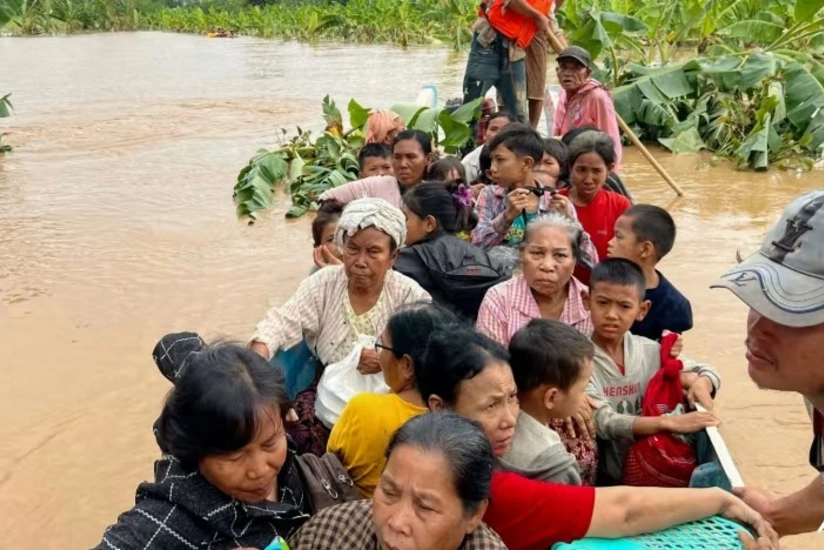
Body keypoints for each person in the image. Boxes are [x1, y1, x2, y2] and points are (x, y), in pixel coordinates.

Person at [416, 325, 778, 550]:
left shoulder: (412, 448)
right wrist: (719, 499)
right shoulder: (495, 490)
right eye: (491, 406)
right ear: (439, 406)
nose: (510, 418)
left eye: (513, 398)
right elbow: (620, 512)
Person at [250, 198, 431, 455]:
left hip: (392, 392)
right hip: (329, 385)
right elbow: (282, 321)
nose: (360, 261)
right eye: (352, 249)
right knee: (297, 437)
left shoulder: (410, 295)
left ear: (393, 256)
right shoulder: (323, 283)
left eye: (373, 252)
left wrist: (385, 360)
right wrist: (256, 360)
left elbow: (429, 350)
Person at [96, 335, 312, 549]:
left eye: (270, 444)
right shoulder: (173, 518)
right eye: (236, 457)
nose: (259, 470)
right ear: (196, 451)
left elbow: (175, 345)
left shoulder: (266, 425)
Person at [711, 190, 824, 538]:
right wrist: (773, 516)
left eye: (791, 312)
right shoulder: (814, 382)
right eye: (759, 297)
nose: (758, 326)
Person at [477, 213, 598, 482]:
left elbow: (597, 362)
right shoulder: (499, 299)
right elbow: (492, 371)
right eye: (537, 253)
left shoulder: (589, 302)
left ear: (575, 261)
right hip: (517, 405)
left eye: (560, 256)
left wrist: (573, 397)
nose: (547, 265)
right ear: (522, 255)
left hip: (572, 402)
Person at [584, 259, 721, 485]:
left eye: (624, 306)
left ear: (642, 310)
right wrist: (668, 423)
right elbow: (603, 421)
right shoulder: (579, 359)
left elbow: (708, 371)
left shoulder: (650, 350)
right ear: (586, 301)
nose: (612, 314)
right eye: (603, 303)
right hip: (607, 476)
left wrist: (702, 383)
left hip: (654, 467)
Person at [290, 412, 507, 549]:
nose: (396, 523)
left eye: (425, 506)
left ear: (474, 515)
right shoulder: (327, 534)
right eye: (389, 492)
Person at [327, 303, 459, 498]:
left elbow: (330, 464)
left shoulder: (363, 409)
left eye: (381, 347)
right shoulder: (459, 419)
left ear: (407, 366)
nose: (379, 356)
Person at [471, 124, 592, 267]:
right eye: (492, 160)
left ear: (527, 163)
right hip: (499, 279)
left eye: (500, 160)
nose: (493, 168)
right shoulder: (490, 195)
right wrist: (506, 217)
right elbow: (475, 247)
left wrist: (570, 225)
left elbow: (589, 260)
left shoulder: (555, 202)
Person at [395, 182, 510, 319]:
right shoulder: (481, 257)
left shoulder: (405, 260)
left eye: (405, 218)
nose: (400, 223)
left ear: (429, 223)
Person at [502, 319, 594, 485]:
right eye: (583, 389)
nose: (584, 397)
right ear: (551, 397)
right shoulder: (555, 466)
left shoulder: (497, 427)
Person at [608, 204, 693, 341]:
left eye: (619, 237)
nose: (610, 242)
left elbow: (667, 348)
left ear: (645, 249)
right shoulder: (602, 284)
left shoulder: (673, 306)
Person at [558, 131, 631, 281]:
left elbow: (629, 254)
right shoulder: (555, 202)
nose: (588, 179)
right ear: (571, 167)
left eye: (597, 171)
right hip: (562, 286)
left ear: (609, 169)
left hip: (605, 285)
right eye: (581, 170)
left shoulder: (620, 205)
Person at [318, 130, 433, 209]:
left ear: (428, 159)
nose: (403, 164)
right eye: (397, 157)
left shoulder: (436, 194)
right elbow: (325, 198)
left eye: (411, 157)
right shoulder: (377, 184)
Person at [552, 46, 623, 172]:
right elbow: (557, 135)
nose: (568, 73)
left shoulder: (597, 97)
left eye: (576, 68)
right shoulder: (563, 95)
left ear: (588, 73)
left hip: (588, 166)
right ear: (557, 71)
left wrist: (611, 174)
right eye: (563, 67)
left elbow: (611, 139)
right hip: (567, 163)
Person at [463, 110, 517, 183]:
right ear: (484, 134)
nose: (498, 134)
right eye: (493, 129)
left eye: (504, 130)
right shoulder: (468, 163)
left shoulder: (523, 156)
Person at [311, 199, 344, 271]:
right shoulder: (317, 273)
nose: (341, 244)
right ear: (318, 248)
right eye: (331, 240)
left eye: (344, 237)